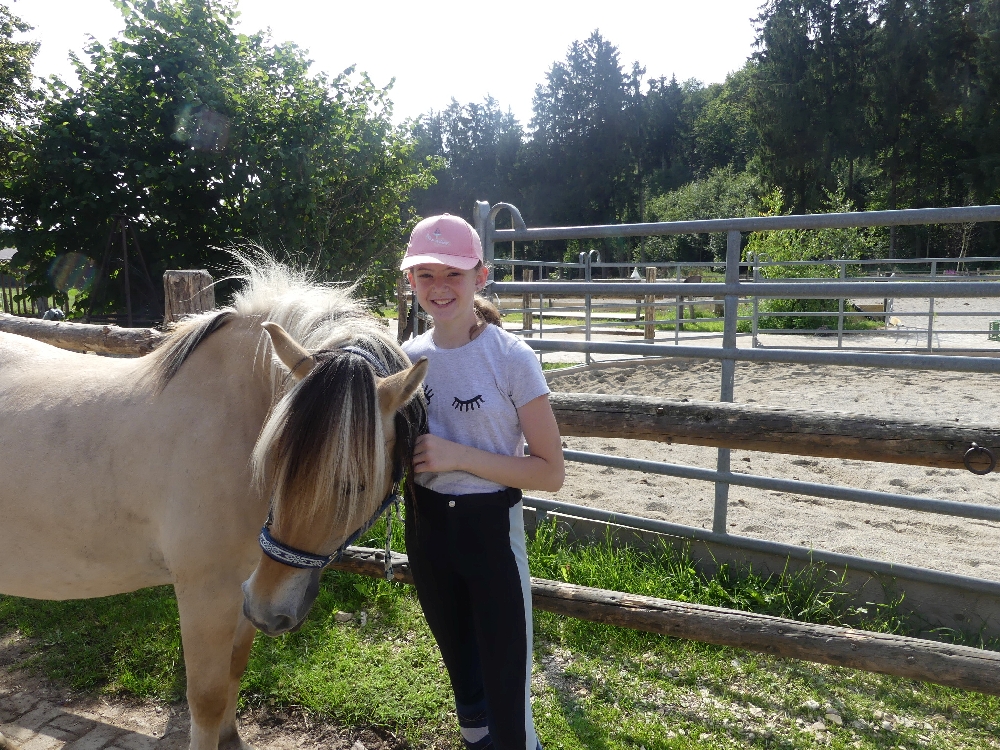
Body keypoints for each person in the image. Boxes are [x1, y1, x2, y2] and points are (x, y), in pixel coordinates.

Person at [400, 214, 565, 750]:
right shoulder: (408, 359)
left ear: (481, 276)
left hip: (490, 532)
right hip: (427, 531)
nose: (440, 286)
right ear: (411, 280)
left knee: (507, 694)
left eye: (454, 273)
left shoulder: (510, 358)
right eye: (426, 274)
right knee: (465, 685)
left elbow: (550, 471)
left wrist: (457, 457)